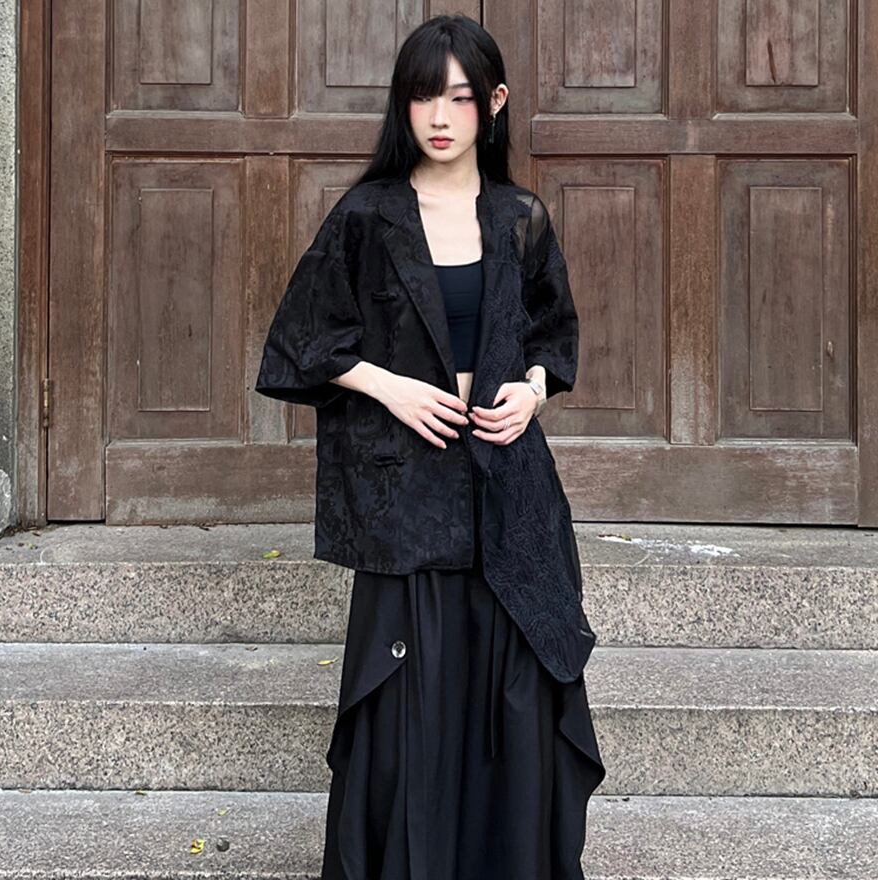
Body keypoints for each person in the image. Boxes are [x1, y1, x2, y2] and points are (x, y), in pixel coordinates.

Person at [256, 14, 605, 879]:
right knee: (407, 718)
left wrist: (530, 391)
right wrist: (392, 386)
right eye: (422, 96)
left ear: (495, 102)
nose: (440, 117)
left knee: (517, 710)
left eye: (459, 96)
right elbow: (300, 342)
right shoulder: (367, 217)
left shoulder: (519, 217)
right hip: (405, 506)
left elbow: (553, 337)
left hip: (508, 499)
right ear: (402, 105)